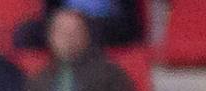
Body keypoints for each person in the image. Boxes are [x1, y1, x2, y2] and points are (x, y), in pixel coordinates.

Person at [15, 0, 146, 50]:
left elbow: (129, 19)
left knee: (83, 32)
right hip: (65, 21)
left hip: (106, 24)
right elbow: (50, 11)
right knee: (25, 33)